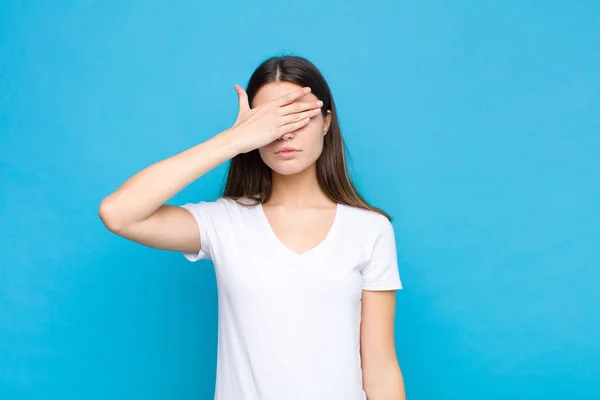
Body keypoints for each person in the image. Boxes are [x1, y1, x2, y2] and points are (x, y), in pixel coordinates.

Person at [99, 55, 406, 400]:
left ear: (325, 122)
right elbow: (118, 213)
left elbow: (380, 370)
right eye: (271, 120)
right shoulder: (224, 222)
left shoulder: (370, 230)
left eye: (298, 115)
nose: (285, 131)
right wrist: (234, 139)